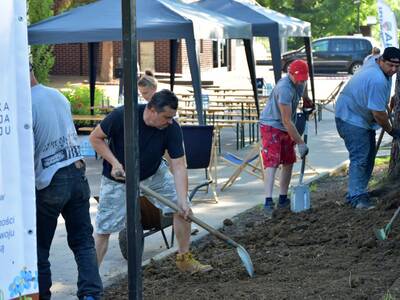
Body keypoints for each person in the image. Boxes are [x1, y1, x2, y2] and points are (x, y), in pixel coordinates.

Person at [89, 89, 213, 274]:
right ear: (152, 110)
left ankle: (184, 258)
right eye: (166, 116)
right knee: (103, 229)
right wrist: (114, 162)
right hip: (118, 180)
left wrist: (183, 200)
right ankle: (89, 282)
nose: (170, 121)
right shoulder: (122, 116)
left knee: (182, 210)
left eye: (172, 117)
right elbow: (95, 138)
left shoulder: (171, 128)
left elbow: (179, 165)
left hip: (155, 174)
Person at [30, 63, 103, 300]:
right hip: (77, 171)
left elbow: (26, 151)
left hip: (50, 180)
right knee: (83, 242)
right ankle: (91, 295)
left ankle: (42, 295)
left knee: (39, 249)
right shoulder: (57, 95)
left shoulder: (25, 104)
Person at [335, 46, 400, 210]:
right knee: (361, 157)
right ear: (382, 61)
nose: (393, 70)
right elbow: (379, 114)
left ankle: (358, 191)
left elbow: (372, 55)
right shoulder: (377, 79)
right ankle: (356, 197)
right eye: (390, 65)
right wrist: (392, 131)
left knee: (369, 155)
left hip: (358, 115)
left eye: (397, 67)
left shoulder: (373, 60)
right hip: (350, 118)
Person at [259, 59, 310, 216]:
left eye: (303, 77)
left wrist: (307, 99)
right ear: (290, 74)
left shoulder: (301, 81)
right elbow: (286, 121)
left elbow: (304, 88)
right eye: (298, 77)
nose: (301, 80)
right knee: (272, 162)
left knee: (289, 160)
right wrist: (300, 143)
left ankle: (283, 198)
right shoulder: (284, 89)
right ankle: (268, 201)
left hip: (287, 126)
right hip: (271, 125)